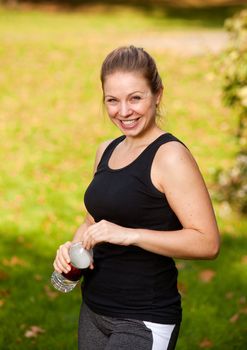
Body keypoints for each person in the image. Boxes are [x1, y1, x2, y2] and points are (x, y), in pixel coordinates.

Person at [53, 45, 220, 350]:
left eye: (135, 98)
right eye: (112, 101)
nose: (124, 111)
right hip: (94, 309)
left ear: (158, 94)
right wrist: (72, 248)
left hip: (143, 317)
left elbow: (207, 242)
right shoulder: (107, 149)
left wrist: (130, 235)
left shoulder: (171, 157)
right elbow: (93, 220)